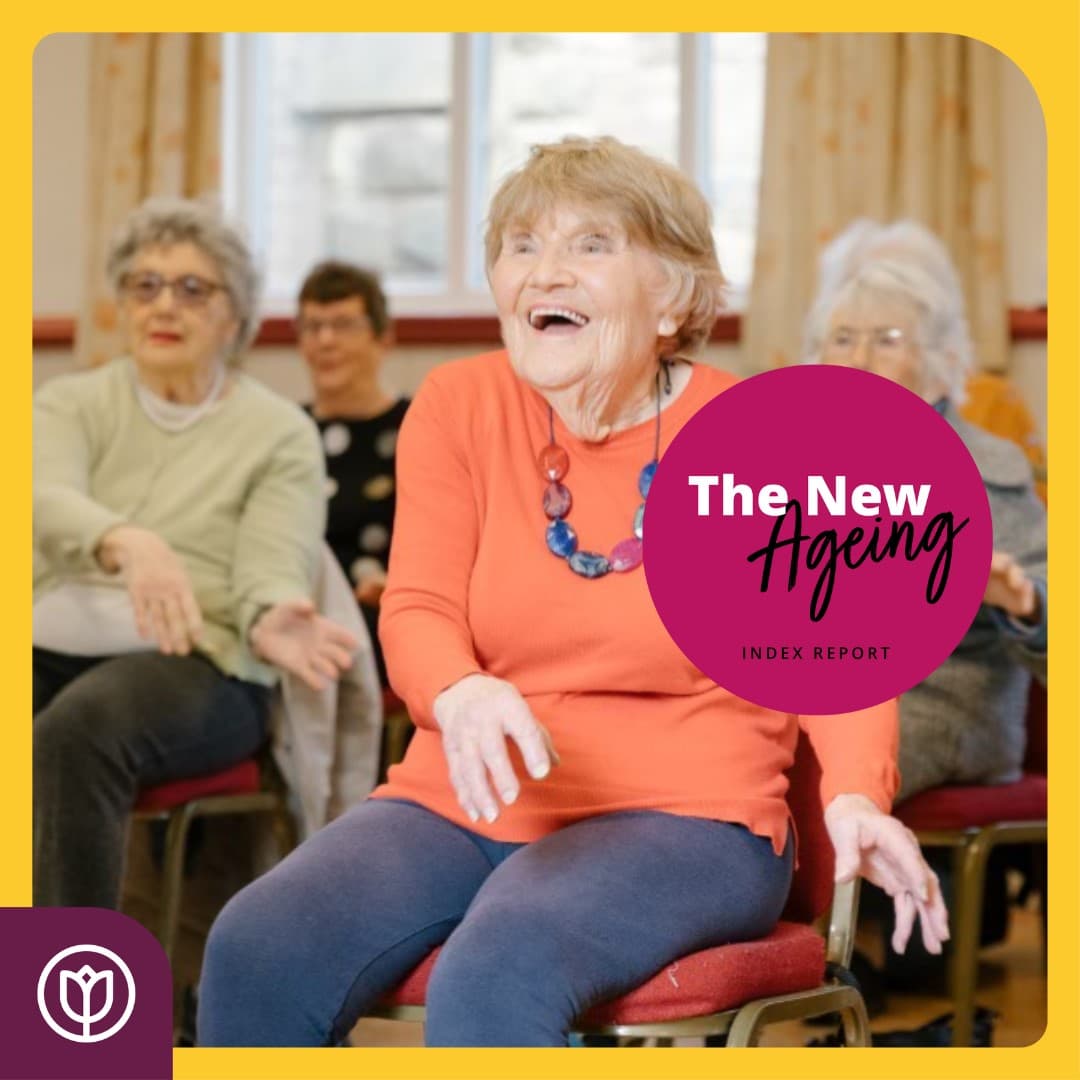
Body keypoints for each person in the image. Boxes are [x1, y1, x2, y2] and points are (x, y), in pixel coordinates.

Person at [198, 137, 948, 1048]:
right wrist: (460, 690)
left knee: (504, 959)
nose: (544, 271)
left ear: (673, 296)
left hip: (690, 817)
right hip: (469, 796)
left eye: (591, 245)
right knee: (257, 944)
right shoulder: (459, 404)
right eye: (521, 244)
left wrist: (859, 797)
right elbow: (419, 605)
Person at [33, 196, 358, 910]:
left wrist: (271, 613)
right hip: (48, 639)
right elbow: (39, 493)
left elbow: (274, 559)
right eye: (144, 285)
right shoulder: (69, 403)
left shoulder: (277, 434)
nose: (164, 305)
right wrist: (128, 542)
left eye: (191, 288)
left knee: (74, 733)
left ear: (233, 317)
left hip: (203, 661)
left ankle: (62, 1016)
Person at [803, 221, 1047, 801]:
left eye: (887, 339)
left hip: (944, 700)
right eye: (841, 339)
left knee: (809, 766)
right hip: (819, 692)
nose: (859, 358)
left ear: (941, 360)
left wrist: (1022, 599)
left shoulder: (987, 464)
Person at [296, 261, 409, 686]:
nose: (325, 340)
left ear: (383, 338)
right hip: (297, 607)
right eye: (312, 326)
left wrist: (397, 586)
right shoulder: (285, 432)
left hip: (380, 610)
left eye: (343, 324)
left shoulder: (418, 427)